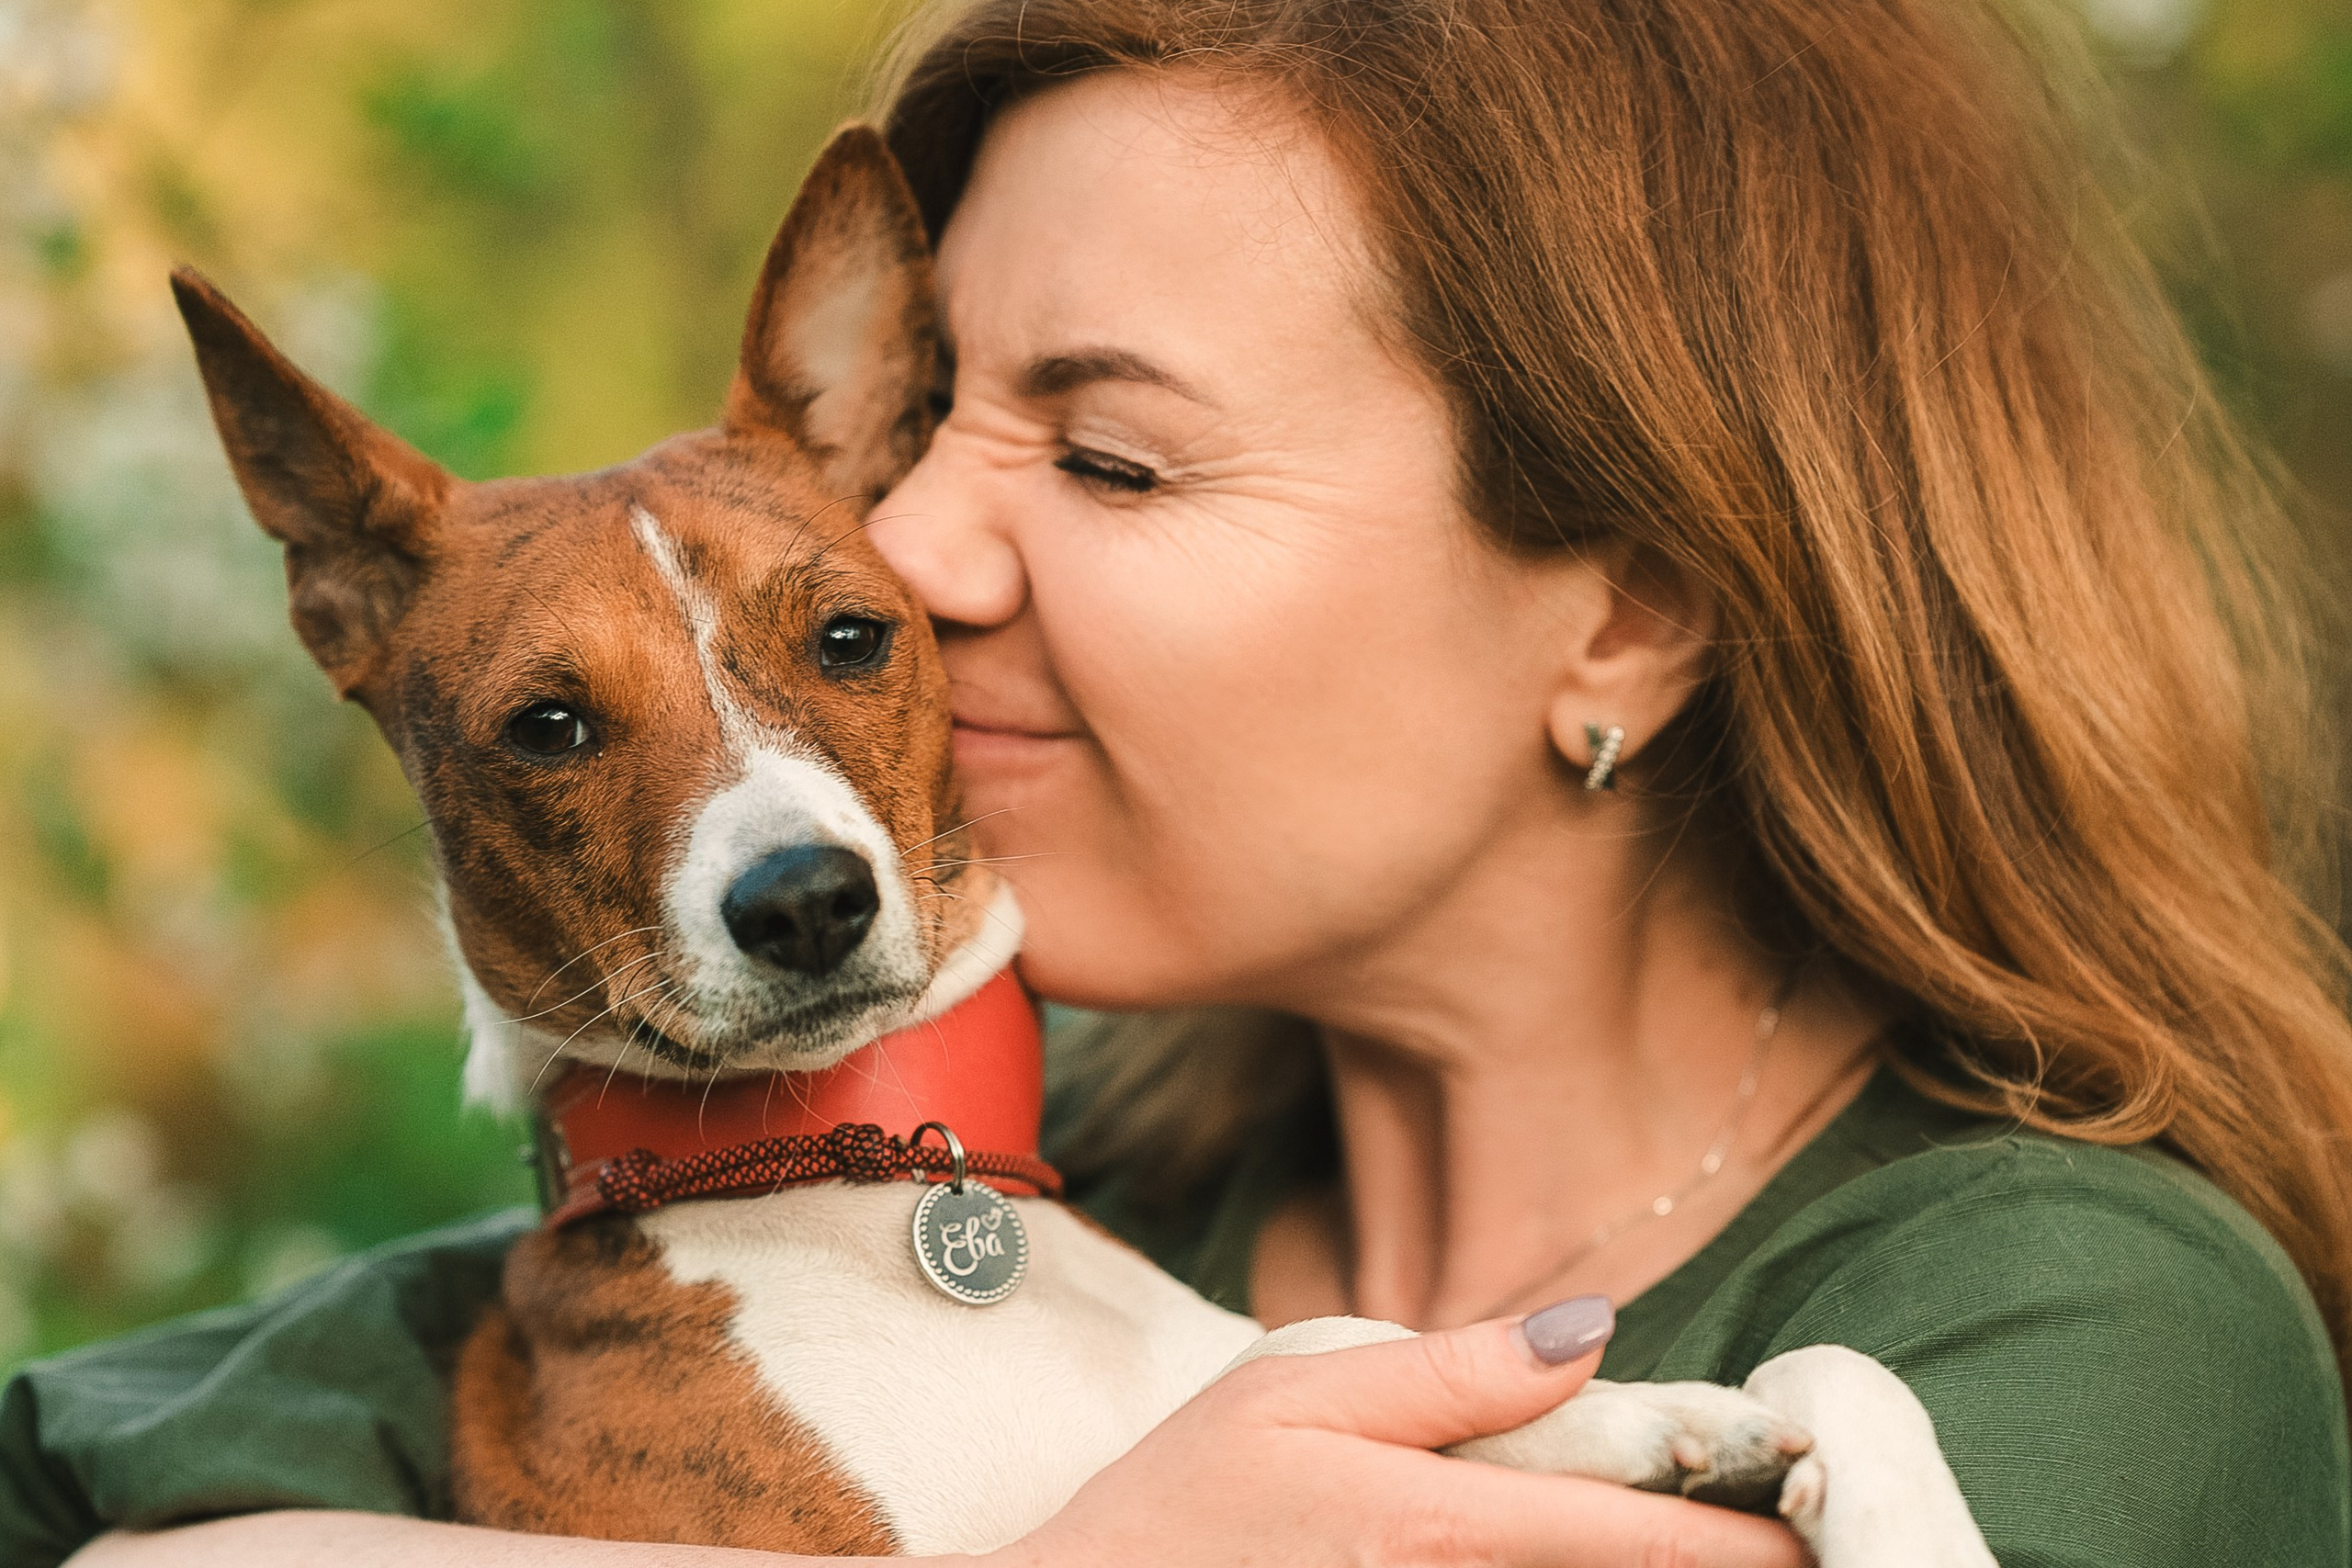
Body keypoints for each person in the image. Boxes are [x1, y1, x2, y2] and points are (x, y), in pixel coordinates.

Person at [11, 0, 2351, 1563]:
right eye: (935, 426)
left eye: (1110, 457)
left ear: (1621, 607)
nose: (909, 552)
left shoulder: (2073, 1324)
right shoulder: (982, 1177)